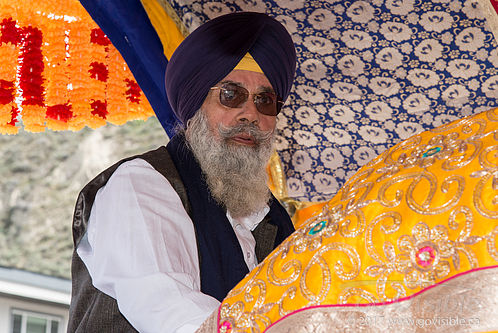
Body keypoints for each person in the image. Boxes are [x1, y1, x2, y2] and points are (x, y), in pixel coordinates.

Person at [67, 11, 297, 333]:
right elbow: (169, 309)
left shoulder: (275, 222)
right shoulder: (143, 185)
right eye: (231, 95)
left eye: (266, 100)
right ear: (194, 106)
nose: (250, 114)